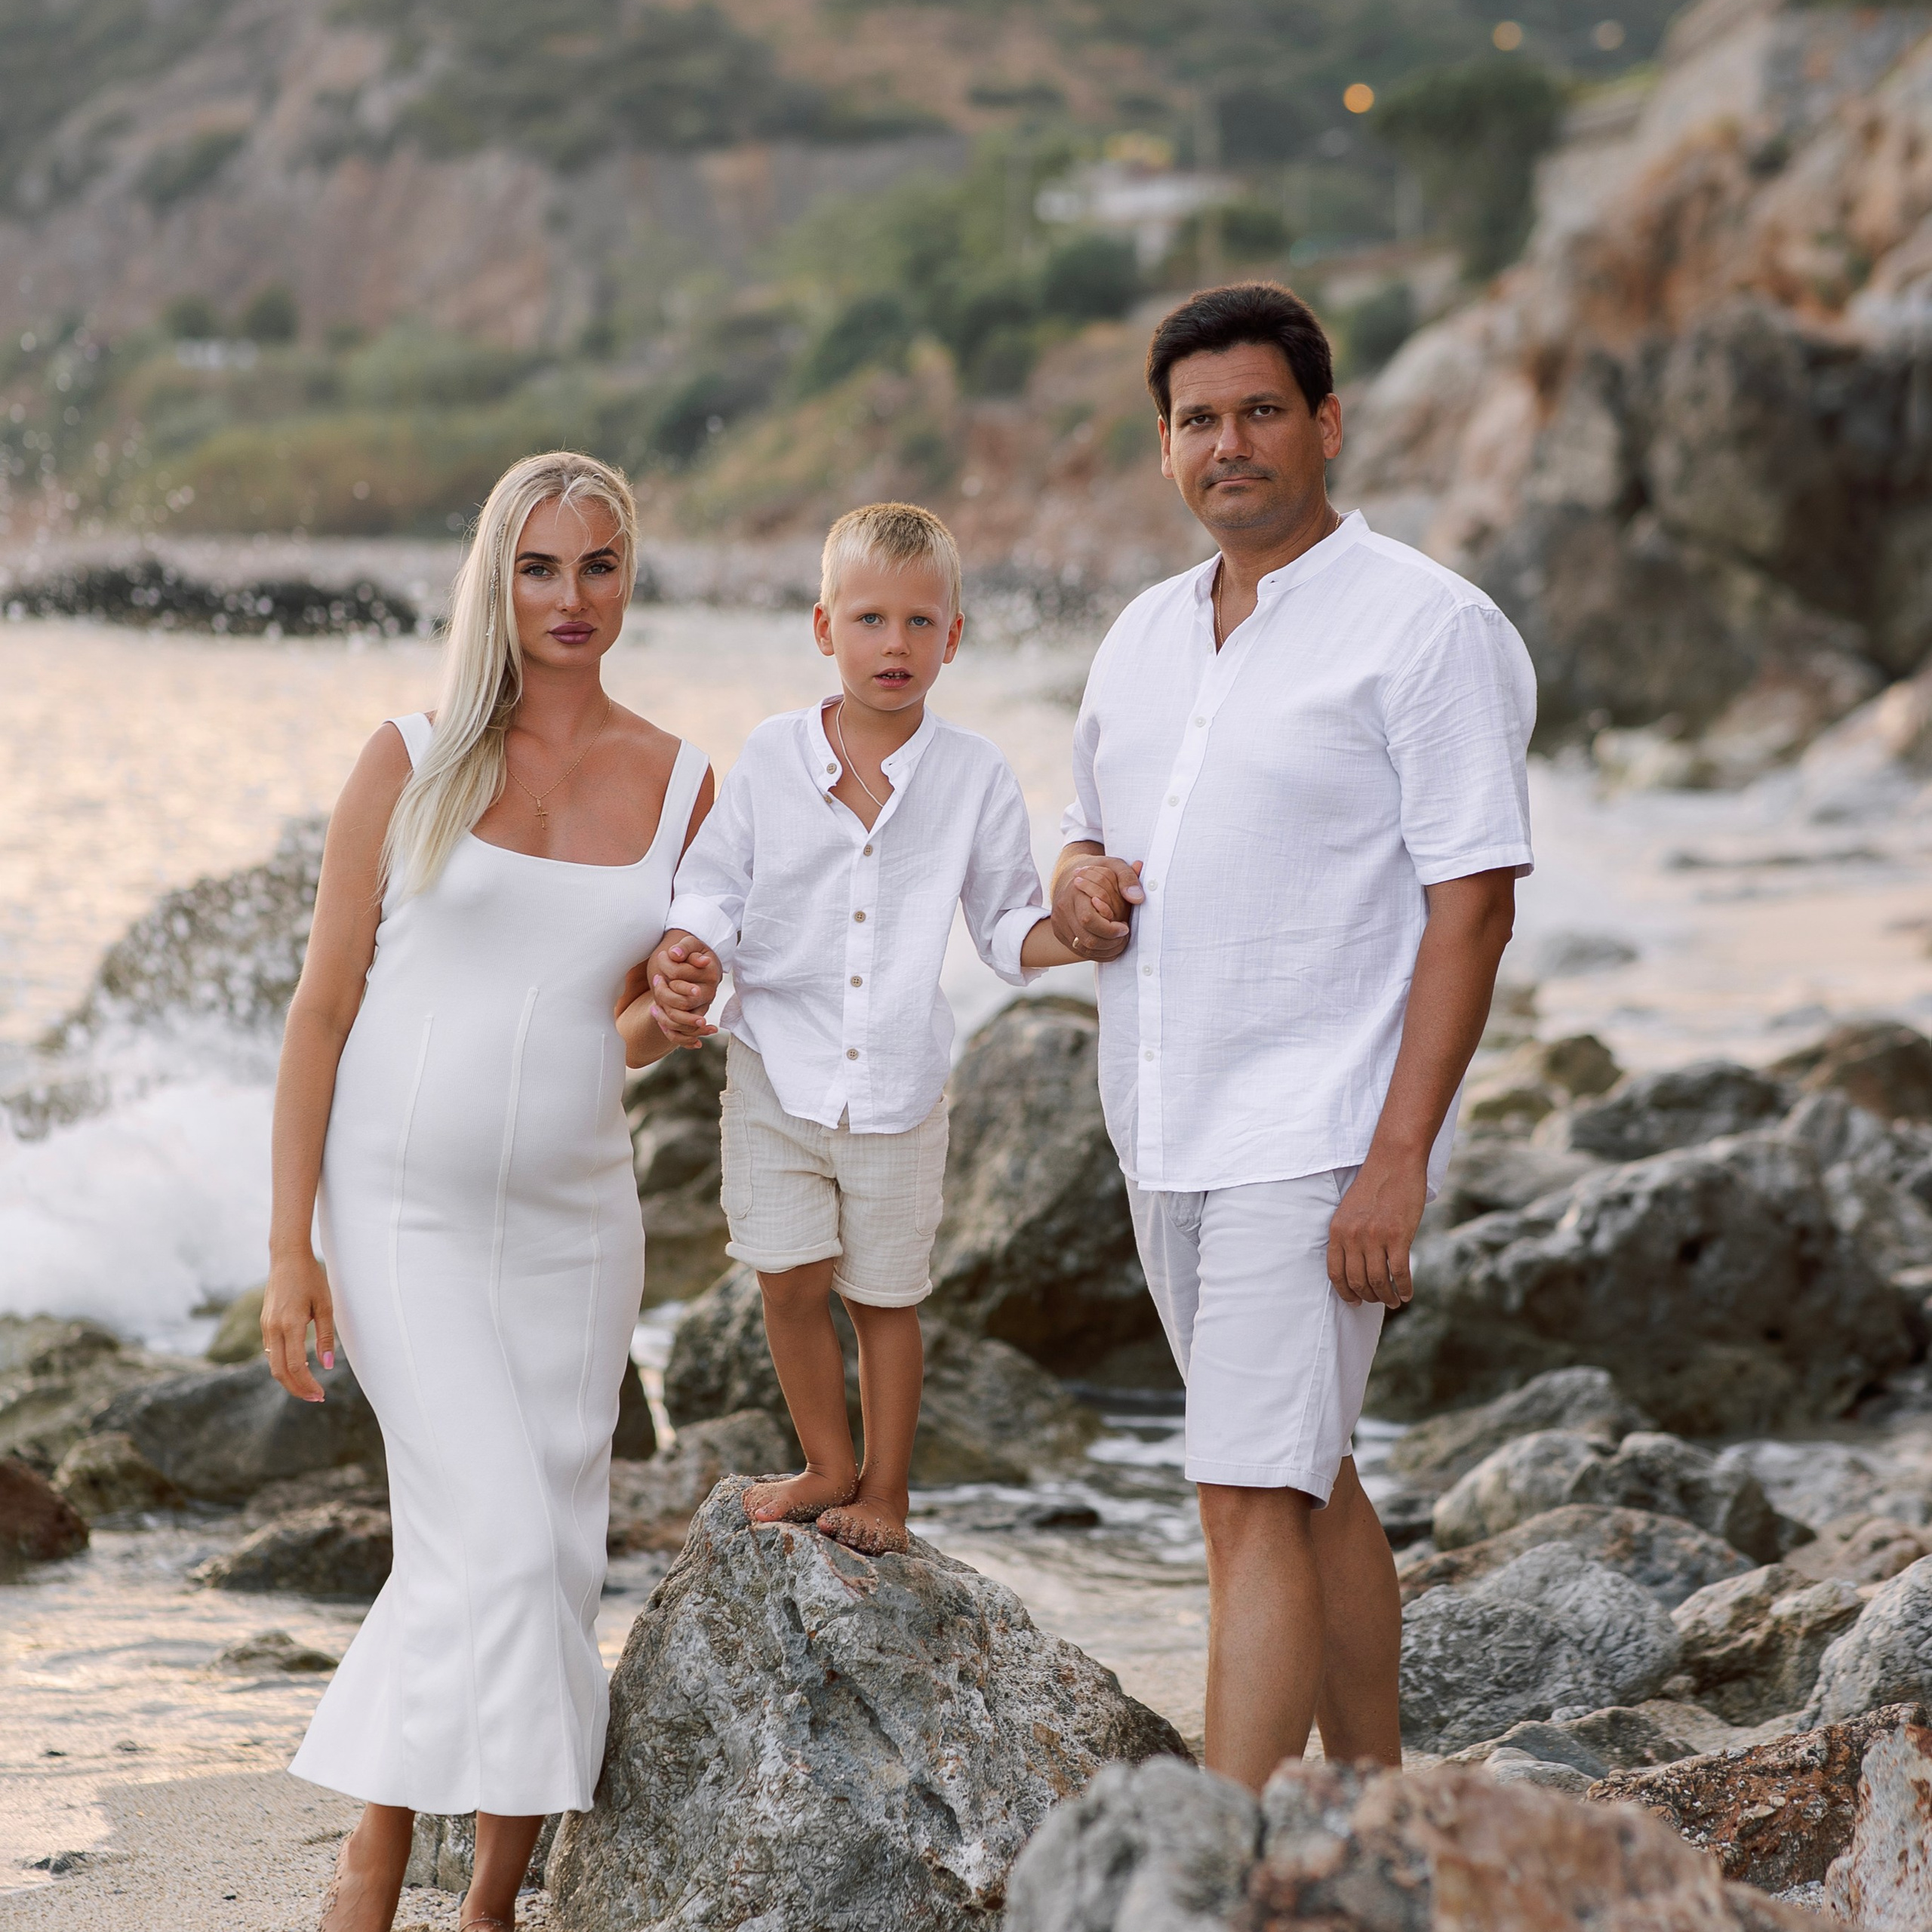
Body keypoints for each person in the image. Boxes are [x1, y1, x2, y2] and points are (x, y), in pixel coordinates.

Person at [1051, 282, 1534, 1789]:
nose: (1229, 444)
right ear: (1162, 446)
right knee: (1303, 1470)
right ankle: (1373, 1808)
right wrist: (1077, 880)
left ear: (1326, 425)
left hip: (1316, 1131)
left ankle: (1221, 1852)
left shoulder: (1428, 628)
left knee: (1243, 1494)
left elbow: (1474, 908)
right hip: (1164, 1121)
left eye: (1260, 411)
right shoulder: (1141, 636)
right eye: (1197, 419)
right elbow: (1084, 828)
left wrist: (1396, 1161)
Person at [262, 451, 719, 1932]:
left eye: (598, 564)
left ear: (629, 576)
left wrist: (675, 1006)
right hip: (401, 1213)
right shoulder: (410, 757)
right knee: (500, 1540)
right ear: (495, 580)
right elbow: (322, 1009)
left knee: (544, 1554)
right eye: (538, 567)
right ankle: (375, 1855)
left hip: (577, 1227)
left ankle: (493, 1905)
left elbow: (625, 1030)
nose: (570, 596)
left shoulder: (687, 784)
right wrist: (289, 1250)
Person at [645, 502, 1086, 1556]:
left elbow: (1006, 924)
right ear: (824, 628)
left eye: (921, 622)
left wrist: (1079, 935)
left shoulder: (974, 774)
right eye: (871, 620)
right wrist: (691, 948)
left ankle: (885, 1492)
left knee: (885, 1300)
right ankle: (825, 1464)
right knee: (787, 1280)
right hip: (775, 1067)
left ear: (954, 636)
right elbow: (714, 882)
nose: (896, 644)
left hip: (896, 1083)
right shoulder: (772, 755)